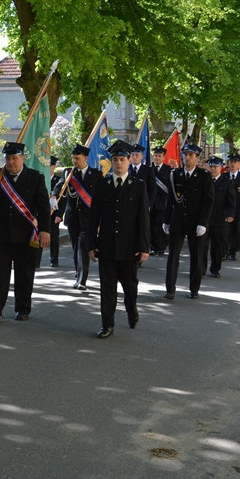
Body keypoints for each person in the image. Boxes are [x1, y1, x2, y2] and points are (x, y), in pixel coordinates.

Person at [0, 142, 51, 321]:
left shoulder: (35, 177)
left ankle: (23, 309)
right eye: (7, 159)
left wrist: (45, 230)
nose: (10, 162)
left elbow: (43, 206)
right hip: (1, 233)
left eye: (14, 158)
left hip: (26, 234)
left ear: (22, 158)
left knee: (24, 273)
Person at [86, 140, 150, 339]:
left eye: (122, 159)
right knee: (107, 288)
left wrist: (144, 247)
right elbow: (93, 216)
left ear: (129, 161)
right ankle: (107, 324)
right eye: (115, 159)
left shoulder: (138, 186)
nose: (119, 163)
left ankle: (132, 311)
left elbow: (143, 219)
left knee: (130, 287)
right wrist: (91, 244)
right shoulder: (102, 185)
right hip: (106, 246)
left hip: (129, 247)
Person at [163, 142, 214, 300]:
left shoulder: (204, 177)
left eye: (191, 155)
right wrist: (166, 220)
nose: (187, 158)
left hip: (195, 222)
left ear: (197, 158)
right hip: (178, 221)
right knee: (173, 255)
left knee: (196, 256)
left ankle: (194, 288)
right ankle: (170, 289)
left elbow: (208, 201)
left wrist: (203, 223)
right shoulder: (175, 174)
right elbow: (170, 199)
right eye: (185, 154)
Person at [57, 143, 102, 291]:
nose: (74, 161)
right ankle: (78, 274)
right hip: (72, 218)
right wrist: (53, 196)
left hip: (88, 218)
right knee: (76, 247)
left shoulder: (95, 174)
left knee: (83, 247)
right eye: (72, 158)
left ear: (85, 158)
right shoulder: (69, 173)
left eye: (77, 158)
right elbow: (59, 185)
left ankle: (82, 280)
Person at [206, 156, 236, 278]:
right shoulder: (204, 180)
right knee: (201, 246)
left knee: (217, 247)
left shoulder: (227, 182)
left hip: (219, 220)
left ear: (221, 168)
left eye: (215, 167)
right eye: (211, 166)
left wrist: (230, 214)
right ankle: (200, 268)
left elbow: (231, 201)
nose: (213, 169)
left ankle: (215, 268)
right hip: (205, 219)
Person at [149, 145, 171, 256]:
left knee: (161, 225)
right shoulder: (149, 169)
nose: (157, 158)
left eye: (159, 156)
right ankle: (153, 246)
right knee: (152, 224)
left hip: (163, 202)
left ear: (163, 157)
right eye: (156, 156)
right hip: (151, 202)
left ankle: (161, 246)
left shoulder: (169, 170)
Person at [47, 156, 62, 267]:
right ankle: (36, 262)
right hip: (42, 214)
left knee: (54, 238)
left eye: (51, 165)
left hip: (54, 214)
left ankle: (54, 260)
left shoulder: (58, 181)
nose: (48, 168)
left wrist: (59, 215)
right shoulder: (41, 178)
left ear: (54, 166)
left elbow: (63, 199)